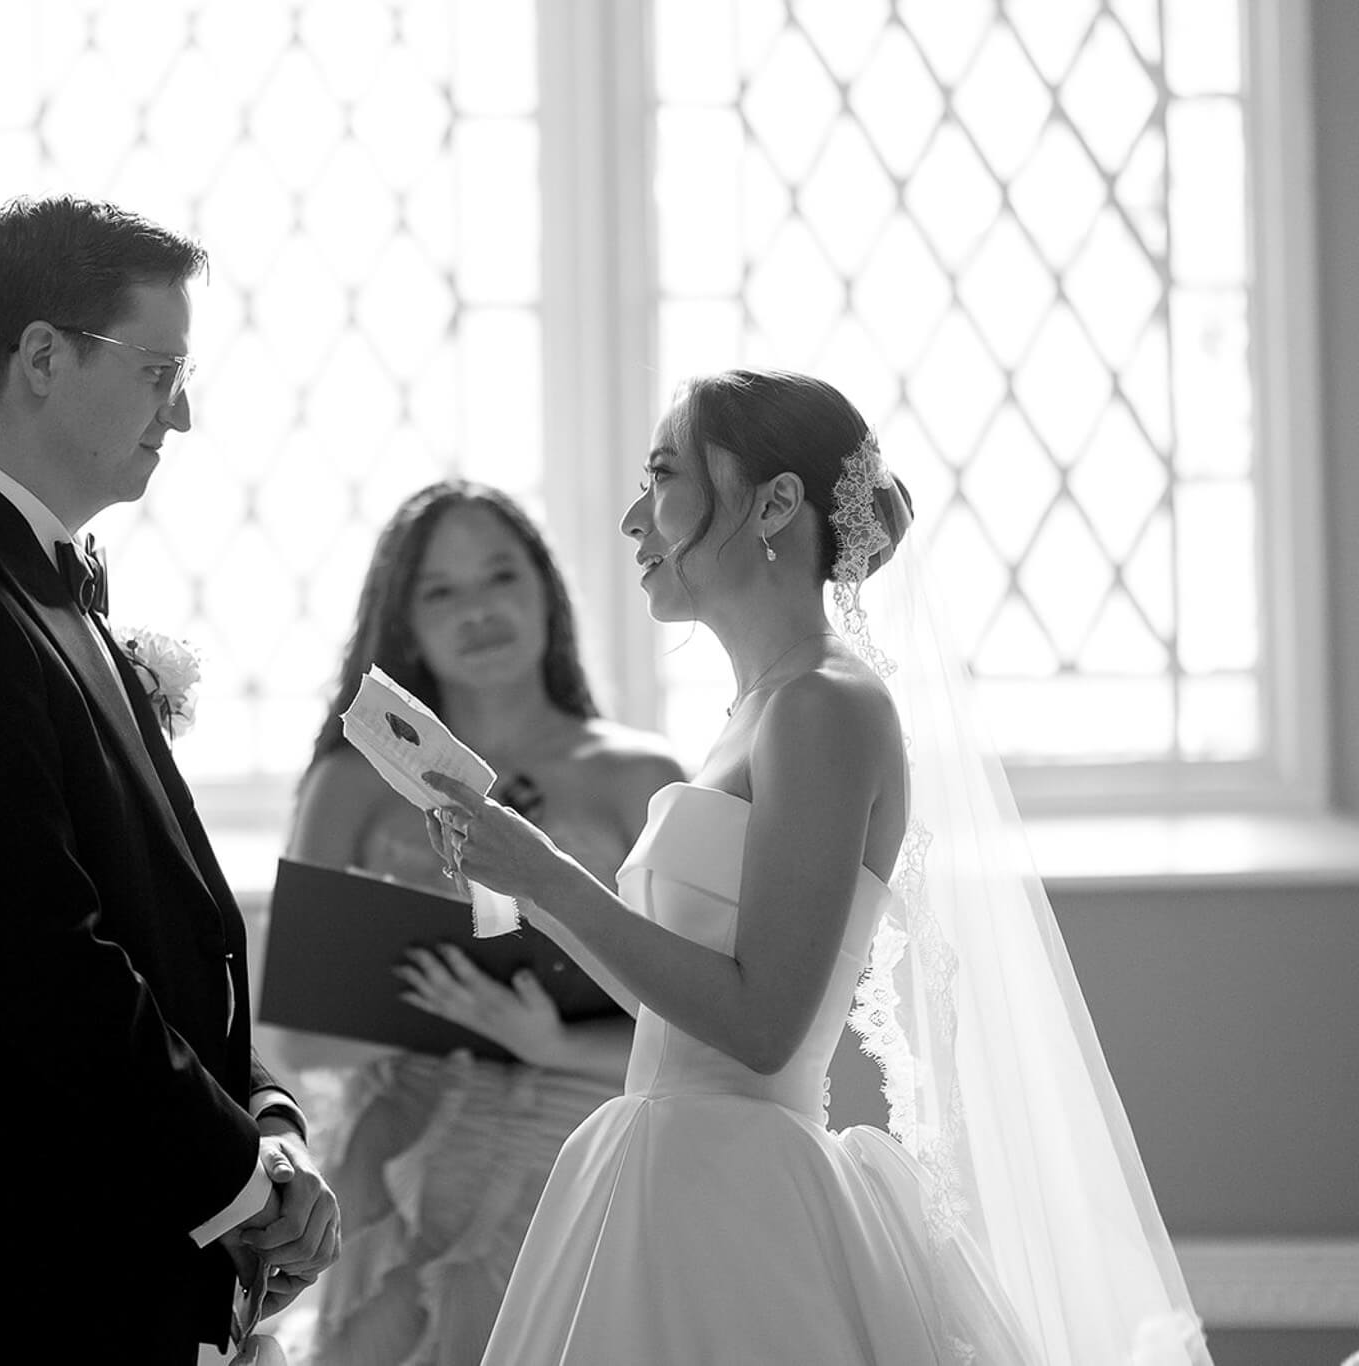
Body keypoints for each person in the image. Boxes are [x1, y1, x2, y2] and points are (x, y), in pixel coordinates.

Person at [422, 370, 1209, 1364]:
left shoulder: (826, 705)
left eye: (660, 475)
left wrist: (543, 873)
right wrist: (517, 877)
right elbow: (668, 1007)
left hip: (739, 1199)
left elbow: (761, 1025)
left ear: (776, 502)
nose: (632, 518)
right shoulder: (752, 713)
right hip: (657, 1169)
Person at [0, 196, 338, 1365]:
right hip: (38, 1290)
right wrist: (238, 1185)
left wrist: (265, 1118)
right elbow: (46, 965)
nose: (186, 412)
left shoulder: (48, 593)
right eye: (159, 370)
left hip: (120, 1270)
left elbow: (159, 929)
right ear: (44, 358)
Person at [279, 481, 685, 1366]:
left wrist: (547, 1044)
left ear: (547, 590)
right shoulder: (347, 783)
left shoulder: (641, 773)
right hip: (400, 1160)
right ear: (405, 620)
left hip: (578, 1156)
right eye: (441, 591)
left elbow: (698, 1024)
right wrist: (437, 1013)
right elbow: (294, 1035)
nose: (479, 609)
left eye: (501, 575)